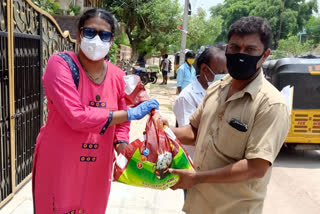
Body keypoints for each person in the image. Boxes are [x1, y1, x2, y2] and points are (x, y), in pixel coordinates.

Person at [32, 8, 159, 214]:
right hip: (59, 163)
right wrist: (129, 114)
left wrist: (123, 146)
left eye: (105, 34)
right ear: (80, 34)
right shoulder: (61, 65)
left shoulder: (118, 76)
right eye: (90, 32)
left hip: (98, 166)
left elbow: (121, 126)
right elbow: (76, 116)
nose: (97, 39)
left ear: (111, 40)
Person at [167, 16, 291, 214]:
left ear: (265, 55)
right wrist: (163, 132)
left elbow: (256, 167)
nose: (240, 54)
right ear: (227, 49)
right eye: (234, 47)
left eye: (250, 49)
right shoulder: (217, 87)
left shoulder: (271, 104)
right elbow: (195, 131)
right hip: (198, 204)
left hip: (233, 208)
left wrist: (198, 178)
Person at [173, 46, 228, 199]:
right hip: (195, 168)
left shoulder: (221, 91)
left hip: (215, 169)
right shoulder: (187, 97)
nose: (226, 77)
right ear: (205, 69)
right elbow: (190, 137)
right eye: (222, 72)